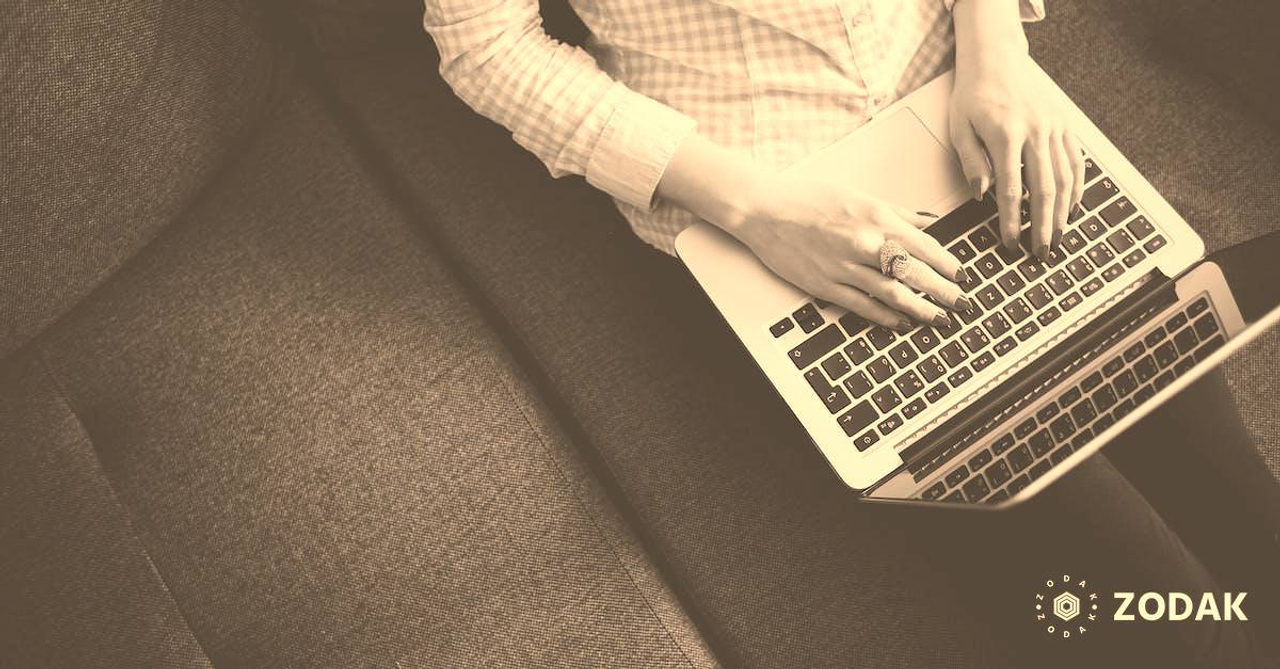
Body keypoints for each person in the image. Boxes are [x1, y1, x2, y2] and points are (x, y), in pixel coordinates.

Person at [421, 1, 1280, 664]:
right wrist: (759, 207)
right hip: (774, 217)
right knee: (1179, 629)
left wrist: (999, 52)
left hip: (967, 116)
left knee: (1249, 522)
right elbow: (484, 44)